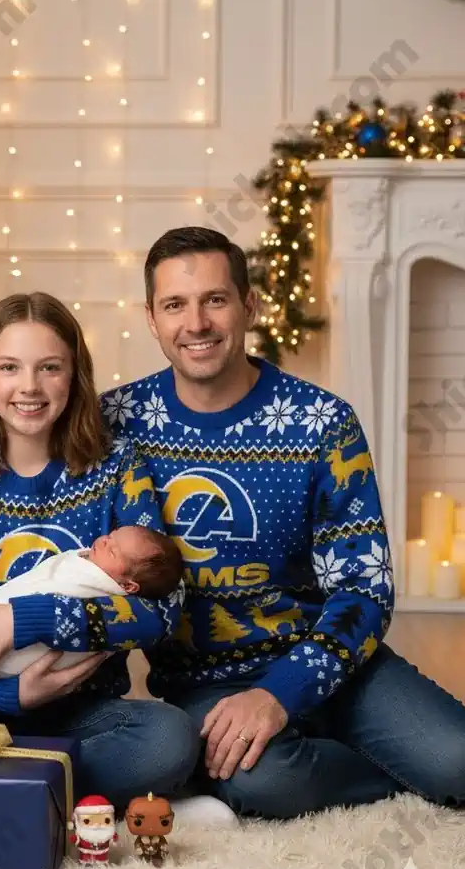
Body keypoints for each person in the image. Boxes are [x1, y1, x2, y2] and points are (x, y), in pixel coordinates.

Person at [101, 225, 465, 819]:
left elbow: (363, 589)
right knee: (266, 784)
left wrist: (280, 694)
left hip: (333, 662)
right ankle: (370, 771)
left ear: (248, 305)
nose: (196, 323)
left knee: (458, 761)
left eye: (215, 300)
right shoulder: (116, 425)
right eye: (175, 305)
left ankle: (366, 748)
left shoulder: (321, 422)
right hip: (206, 681)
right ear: (152, 318)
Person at [0, 292, 206, 813]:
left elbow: (160, 611)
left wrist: (25, 620)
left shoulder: (116, 465)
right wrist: (4, 699)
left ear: (73, 376)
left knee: (171, 738)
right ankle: (55, 792)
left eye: (49, 367)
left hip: (84, 708)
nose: (28, 387)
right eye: (9, 367)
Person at [0, 524, 183, 677]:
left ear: (128, 586)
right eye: (111, 535)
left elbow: (160, 615)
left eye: (113, 551)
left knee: (167, 734)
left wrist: (21, 619)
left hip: (75, 700)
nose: (104, 541)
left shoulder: (95, 586)